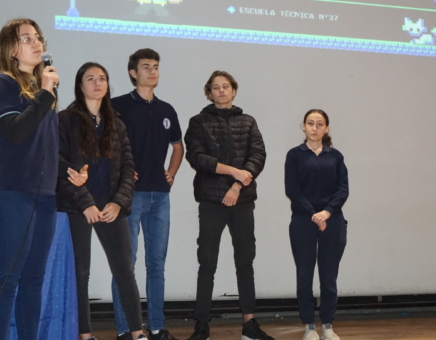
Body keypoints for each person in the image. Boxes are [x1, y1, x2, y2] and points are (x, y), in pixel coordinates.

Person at [56, 62, 148, 340]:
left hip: (110, 207)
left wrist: (118, 202)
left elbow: (128, 168)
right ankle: (85, 334)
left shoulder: (116, 123)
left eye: (102, 79)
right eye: (90, 79)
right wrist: (85, 203)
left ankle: (137, 333)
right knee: (80, 273)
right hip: (76, 206)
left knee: (125, 270)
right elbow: (59, 164)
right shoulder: (64, 120)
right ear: (80, 85)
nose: (97, 83)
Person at [184, 70, 274, 340]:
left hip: (242, 200)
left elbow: (258, 155)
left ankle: (250, 324)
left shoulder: (248, 121)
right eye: (216, 87)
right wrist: (233, 172)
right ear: (209, 93)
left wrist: (236, 186)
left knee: (245, 261)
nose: (221, 90)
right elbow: (197, 157)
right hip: (212, 201)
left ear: (234, 90)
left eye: (226, 86)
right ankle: (201, 325)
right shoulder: (198, 122)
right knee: (207, 263)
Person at [0, 18, 60, 339]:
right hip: (12, 191)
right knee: (8, 277)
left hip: (44, 195)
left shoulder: (41, 91)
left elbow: (45, 145)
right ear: (11, 49)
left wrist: (69, 169)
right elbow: (15, 132)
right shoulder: (2, 84)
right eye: (27, 38)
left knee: (34, 278)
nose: (37, 43)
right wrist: (45, 94)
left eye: (38, 38)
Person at [111, 48, 184, 340]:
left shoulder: (167, 109)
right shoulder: (117, 106)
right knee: (125, 265)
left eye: (155, 66)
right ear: (133, 72)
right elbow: (105, 144)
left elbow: (178, 147)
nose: (152, 71)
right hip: (129, 197)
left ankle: (156, 327)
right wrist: (121, 171)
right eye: (146, 67)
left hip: (160, 197)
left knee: (156, 265)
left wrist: (172, 172)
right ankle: (125, 330)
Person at [284, 109, 349, 340]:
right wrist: (314, 215)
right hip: (304, 221)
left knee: (329, 276)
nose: (314, 128)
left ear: (326, 128)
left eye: (319, 124)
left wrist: (327, 212)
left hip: (332, 221)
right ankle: (309, 326)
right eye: (310, 123)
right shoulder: (295, 155)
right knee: (304, 275)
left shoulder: (335, 157)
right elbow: (292, 189)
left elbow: (343, 189)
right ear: (303, 127)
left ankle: (328, 325)